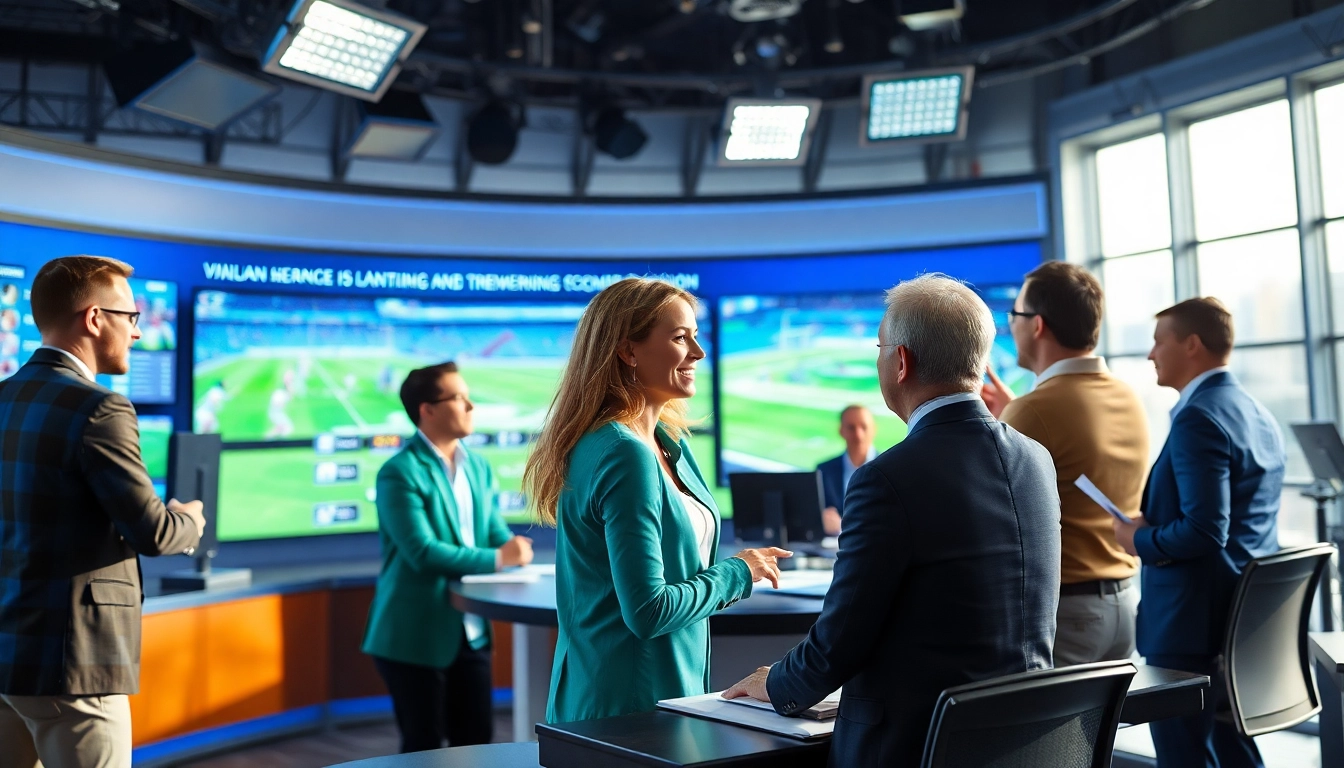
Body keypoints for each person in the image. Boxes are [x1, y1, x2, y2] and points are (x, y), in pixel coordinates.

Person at [724, 274, 1061, 767]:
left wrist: (773, 682)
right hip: (1025, 744)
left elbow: (837, 645)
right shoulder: (1037, 459)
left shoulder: (886, 478)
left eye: (880, 347)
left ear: (900, 361)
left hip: (915, 747)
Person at [523, 277, 791, 724]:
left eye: (696, 337)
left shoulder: (664, 442)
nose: (698, 354)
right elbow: (649, 611)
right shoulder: (624, 453)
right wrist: (739, 571)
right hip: (629, 704)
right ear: (628, 351)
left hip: (659, 691)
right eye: (679, 338)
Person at [0, 255, 205, 768]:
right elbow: (155, 533)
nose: (136, 332)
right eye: (130, 318)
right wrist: (192, 520)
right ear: (95, 319)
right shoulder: (100, 408)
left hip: (8, 657)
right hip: (74, 669)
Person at [1112, 298, 1282, 768]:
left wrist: (1137, 541)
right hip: (1236, 616)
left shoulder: (1198, 417)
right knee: (1229, 746)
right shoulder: (1255, 411)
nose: (1150, 354)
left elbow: (1206, 531)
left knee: (1184, 756)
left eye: (1158, 341)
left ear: (1191, 345)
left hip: (1190, 622)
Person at [980, 261, 1148, 666]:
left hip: (1067, 614)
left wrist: (1015, 416)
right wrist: (1014, 414)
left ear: (1037, 325)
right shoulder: (1127, 397)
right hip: (1123, 606)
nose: (1011, 326)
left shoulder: (1034, 411)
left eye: (1015, 315)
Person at [362, 361, 535, 753]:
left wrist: (512, 549)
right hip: (413, 633)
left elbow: (492, 533)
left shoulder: (477, 465)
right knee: (423, 749)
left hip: (471, 631)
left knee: (476, 745)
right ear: (428, 410)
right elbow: (422, 553)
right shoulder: (399, 472)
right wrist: (498, 558)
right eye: (459, 398)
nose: (472, 406)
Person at [815, 405, 876, 536]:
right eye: (851, 427)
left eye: (864, 427)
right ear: (841, 431)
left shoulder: (890, 468)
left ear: (873, 430)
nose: (858, 435)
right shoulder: (824, 471)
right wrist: (822, 520)